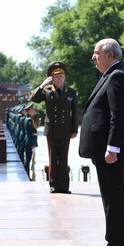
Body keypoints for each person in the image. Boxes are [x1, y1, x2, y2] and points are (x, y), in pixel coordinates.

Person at [79, 38, 124, 246]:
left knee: (114, 198)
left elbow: (118, 116)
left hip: (110, 152)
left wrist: (112, 148)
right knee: (110, 197)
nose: (93, 56)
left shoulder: (117, 76)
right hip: (104, 151)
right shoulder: (109, 75)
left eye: (96, 53)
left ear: (109, 55)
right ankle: (113, 243)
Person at [29, 62, 78, 193]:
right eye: (56, 76)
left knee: (63, 158)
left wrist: (74, 130)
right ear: (51, 78)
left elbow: (75, 112)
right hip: (51, 130)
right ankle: (54, 185)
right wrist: (42, 84)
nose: (59, 78)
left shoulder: (71, 92)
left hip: (65, 130)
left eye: (61, 76)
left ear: (65, 77)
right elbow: (33, 98)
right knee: (52, 158)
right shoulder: (46, 91)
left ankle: (64, 186)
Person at [23, 103, 38, 180]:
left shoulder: (30, 118)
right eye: (32, 109)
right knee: (28, 160)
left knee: (29, 160)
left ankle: (27, 175)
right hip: (30, 142)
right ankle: (27, 176)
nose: (34, 110)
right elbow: (30, 134)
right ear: (29, 111)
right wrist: (33, 144)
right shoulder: (29, 120)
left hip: (30, 142)